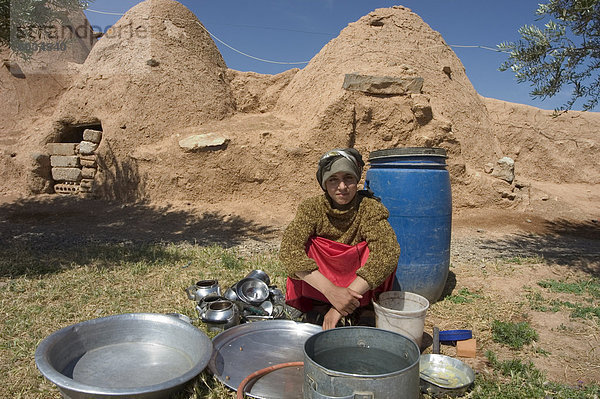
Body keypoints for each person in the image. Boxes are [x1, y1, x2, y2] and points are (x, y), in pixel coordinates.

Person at [280, 148, 400, 330]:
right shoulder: (312, 208)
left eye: (348, 178)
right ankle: (318, 304)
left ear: (357, 179)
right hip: (324, 285)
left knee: (383, 248)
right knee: (308, 245)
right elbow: (289, 249)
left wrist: (340, 305)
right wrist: (332, 292)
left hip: (357, 288)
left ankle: (363, 308)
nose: (342, 187)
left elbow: (388, 253)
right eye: (333, 179)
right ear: (324, 183)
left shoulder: (369, 209)